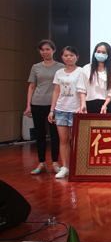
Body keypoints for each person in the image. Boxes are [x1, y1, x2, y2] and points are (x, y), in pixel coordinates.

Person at [26, 40, 65, 175]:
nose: (45, 52)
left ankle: (55, 163)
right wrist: (28, 105)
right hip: (37, 103)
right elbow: (32, 86)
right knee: (40, 135)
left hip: (54, 105)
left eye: (47, 49)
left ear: (54, 50)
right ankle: (41, 163)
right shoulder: (36, 67)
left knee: (55, 135)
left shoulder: (61, 67)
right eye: (42, 49)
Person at [48, 46, 82, 179]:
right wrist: (52, 110)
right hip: (61, 109)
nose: (69, 58)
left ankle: (76, 166)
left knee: (76, 140)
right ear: (62, 57)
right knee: (63, 139)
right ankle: (65, 167)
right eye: (66, 55)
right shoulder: (59, 73)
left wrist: (82, 106)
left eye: (71, 55)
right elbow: (56, 91)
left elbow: (83, 90)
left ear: (77, 57)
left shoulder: (81, 71)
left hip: (75, 109)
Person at [77, 42, 111, 114]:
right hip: (89, 104)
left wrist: (105, 105)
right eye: (98, 52)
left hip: (106, 105)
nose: (100, 54)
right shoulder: (86, 68)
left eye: (104, 52)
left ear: (108, 54)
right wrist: (83, 104)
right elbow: (82, 88)